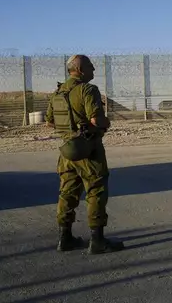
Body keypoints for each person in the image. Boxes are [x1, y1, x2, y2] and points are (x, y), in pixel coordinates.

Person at [46, 54, 124, 255]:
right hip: (89, 149)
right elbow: (96, 120)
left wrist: (69, 129)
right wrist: (107, 123)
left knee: (67, 192)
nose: (94, 70)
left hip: (67, 151)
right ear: (80, 69)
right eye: (90, 66)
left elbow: (49, 121)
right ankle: (97, 240)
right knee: (96, 190)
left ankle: (65, 238)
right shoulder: (88, 90)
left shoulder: (58, 93)